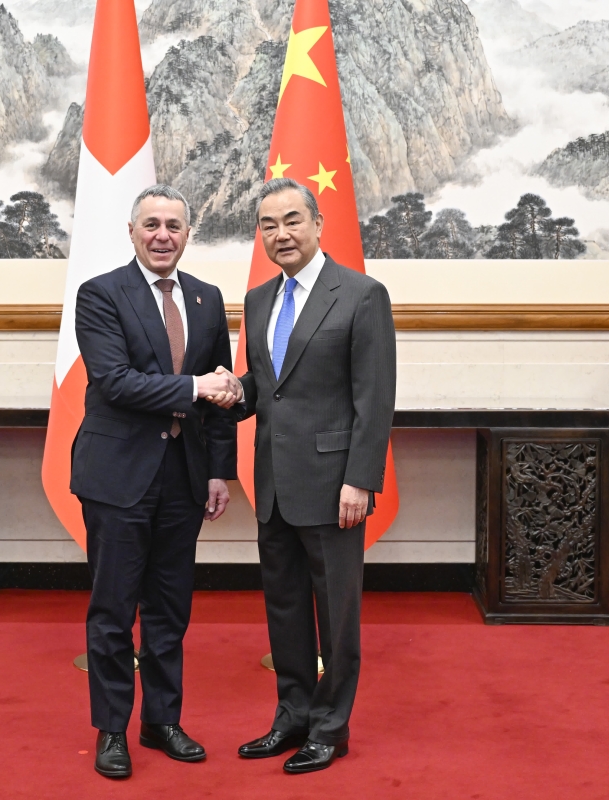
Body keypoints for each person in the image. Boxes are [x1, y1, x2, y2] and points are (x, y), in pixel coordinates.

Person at [228, 177, 397, 773]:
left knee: (336, 616)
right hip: (273, 483)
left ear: (318, 224)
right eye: (268, 225)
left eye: (292, 220)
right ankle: (292, 716)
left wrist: (361, 479)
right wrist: (232, 392)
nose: (281, 234)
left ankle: (331, 727)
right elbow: (267, 388)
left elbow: (374, 397)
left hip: (334, 485)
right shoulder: (257, 300)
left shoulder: (361, 295)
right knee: (285, 608)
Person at [71, 184, 239, 779]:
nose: (162, 235)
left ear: (188, 234)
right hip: (118, 476)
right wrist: (195, 387)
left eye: (173, 225)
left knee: (169, 609)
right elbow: (114, 381)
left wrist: (219, 469)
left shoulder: (207, 298)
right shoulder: (100, 294)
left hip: (184, 477)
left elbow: (222, 394)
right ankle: (112, 730)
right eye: (151, 225)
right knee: (113, 610)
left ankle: (162, 721)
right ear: (132, 232)